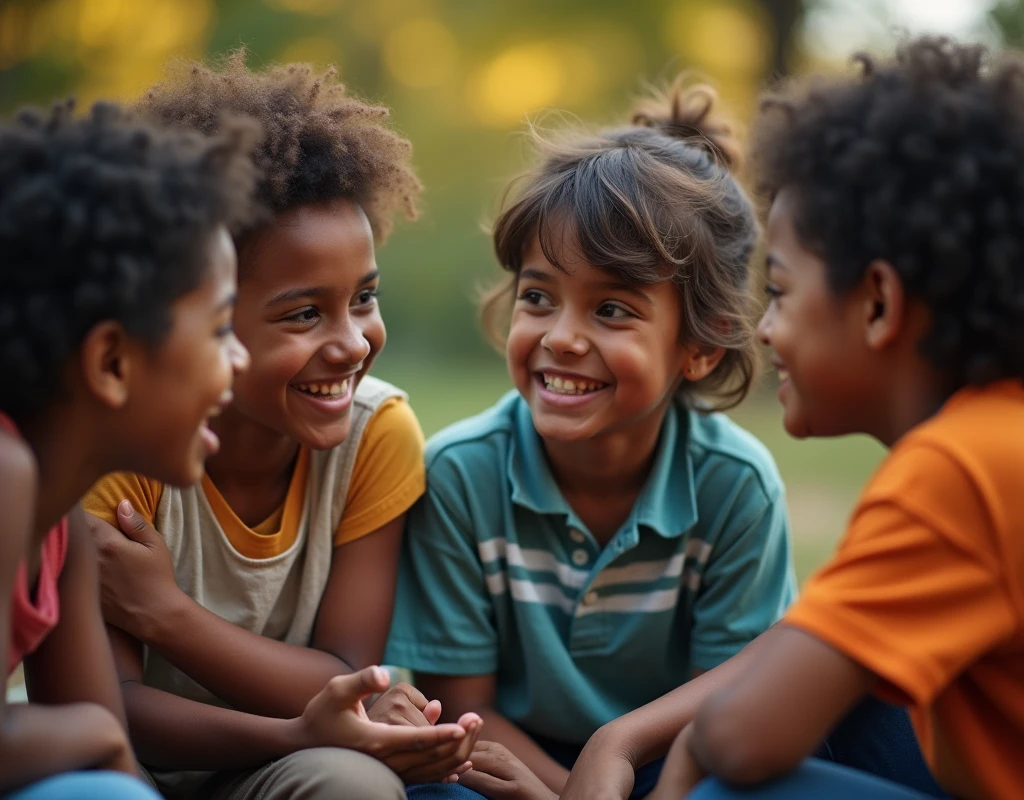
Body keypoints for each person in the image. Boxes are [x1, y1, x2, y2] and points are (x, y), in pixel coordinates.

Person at [81, 52, 480, 800]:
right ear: (200, 313)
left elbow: (344, 678)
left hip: (282, 769)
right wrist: (309, 722)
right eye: (304, 313)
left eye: (364, 298)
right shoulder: (121, 452)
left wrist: (166, 613)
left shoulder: (377, 434)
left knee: (353, 784)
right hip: (123, 769)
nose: (353, 343)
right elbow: (110, 708)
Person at [385, 79, 797, 800]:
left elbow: (728, 704)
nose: (562, 338)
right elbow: (461, 708)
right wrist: (562, 792)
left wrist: (612, 769)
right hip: (511, 766)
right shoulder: (459, 476)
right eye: (538, 297)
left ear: (699, 347)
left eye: (611, 309)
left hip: (675, 763)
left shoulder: (736, 487)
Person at [648, 36, 1024, 800]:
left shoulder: (957, 469)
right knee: (853, 690)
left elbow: (745, 738)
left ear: (878, 303)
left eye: (780, 292)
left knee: (735, 791)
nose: (763, 328)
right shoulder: (1000, 431)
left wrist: (691, 747)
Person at [0, 99, 256, 799]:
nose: (240, 358)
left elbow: (107, 760)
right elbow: (100, 745)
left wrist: (98, 738)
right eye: (220, 328)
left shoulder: (62, 525)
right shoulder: (6, 472)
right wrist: (99, 735)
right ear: (111, 362)